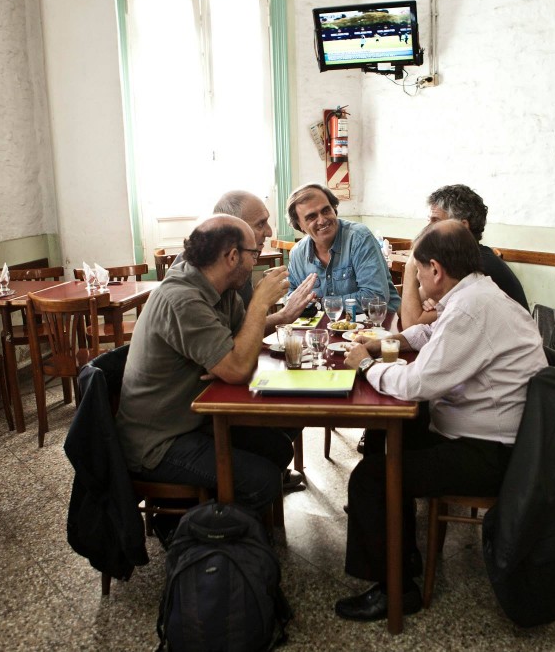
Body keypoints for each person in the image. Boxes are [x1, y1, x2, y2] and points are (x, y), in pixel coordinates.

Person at [335, 220, 548, 621]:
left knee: (371, 477)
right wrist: (387, 342)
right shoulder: (477, 294)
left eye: (415, 272)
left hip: (495, 456)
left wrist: (366, 366)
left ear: (435, 270)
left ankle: (395, 589)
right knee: (401, 432)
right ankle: (402, 551)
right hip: (500, 438)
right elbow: (431, 333)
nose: (414, 279)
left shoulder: (472, 308)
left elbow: (418, 383)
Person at [116, 215, 295, 512]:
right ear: (232, 256)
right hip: (160, 443)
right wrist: (260, 304)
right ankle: (211, 539)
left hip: (194, 421)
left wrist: (230, 355)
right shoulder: (182, 299)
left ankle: (238, 524)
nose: (256, 262)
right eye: (254, 254)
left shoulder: (220, 289)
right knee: (262, 480)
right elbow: (238, 368)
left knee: (277, 448)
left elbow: (239, 344)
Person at [173, 190, 318, 333]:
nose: (269, 232)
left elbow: (244, 330)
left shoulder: (239, 263)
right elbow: (233, 353)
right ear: (231, 229)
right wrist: (260, 304)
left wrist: (286, 314)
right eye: (261, 224)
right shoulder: (188, 289)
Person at [400, 183, 528, 328]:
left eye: (435, 221)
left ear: (462, 226)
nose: (427, 229)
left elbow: (411, 323)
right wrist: (422, 304)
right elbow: (406, 308)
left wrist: (411, 264)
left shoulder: (477, 267)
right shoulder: (457, 261)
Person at [286, 183, 400, 312]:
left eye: (326, 210)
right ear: (299, 225)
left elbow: (375, 297)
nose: (322, 220)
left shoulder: (359, 237)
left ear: (334, 209)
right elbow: (291, 298)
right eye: (311, 217)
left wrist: (321, 303)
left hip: (379, 326)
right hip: (325, 330)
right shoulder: (297, 254)